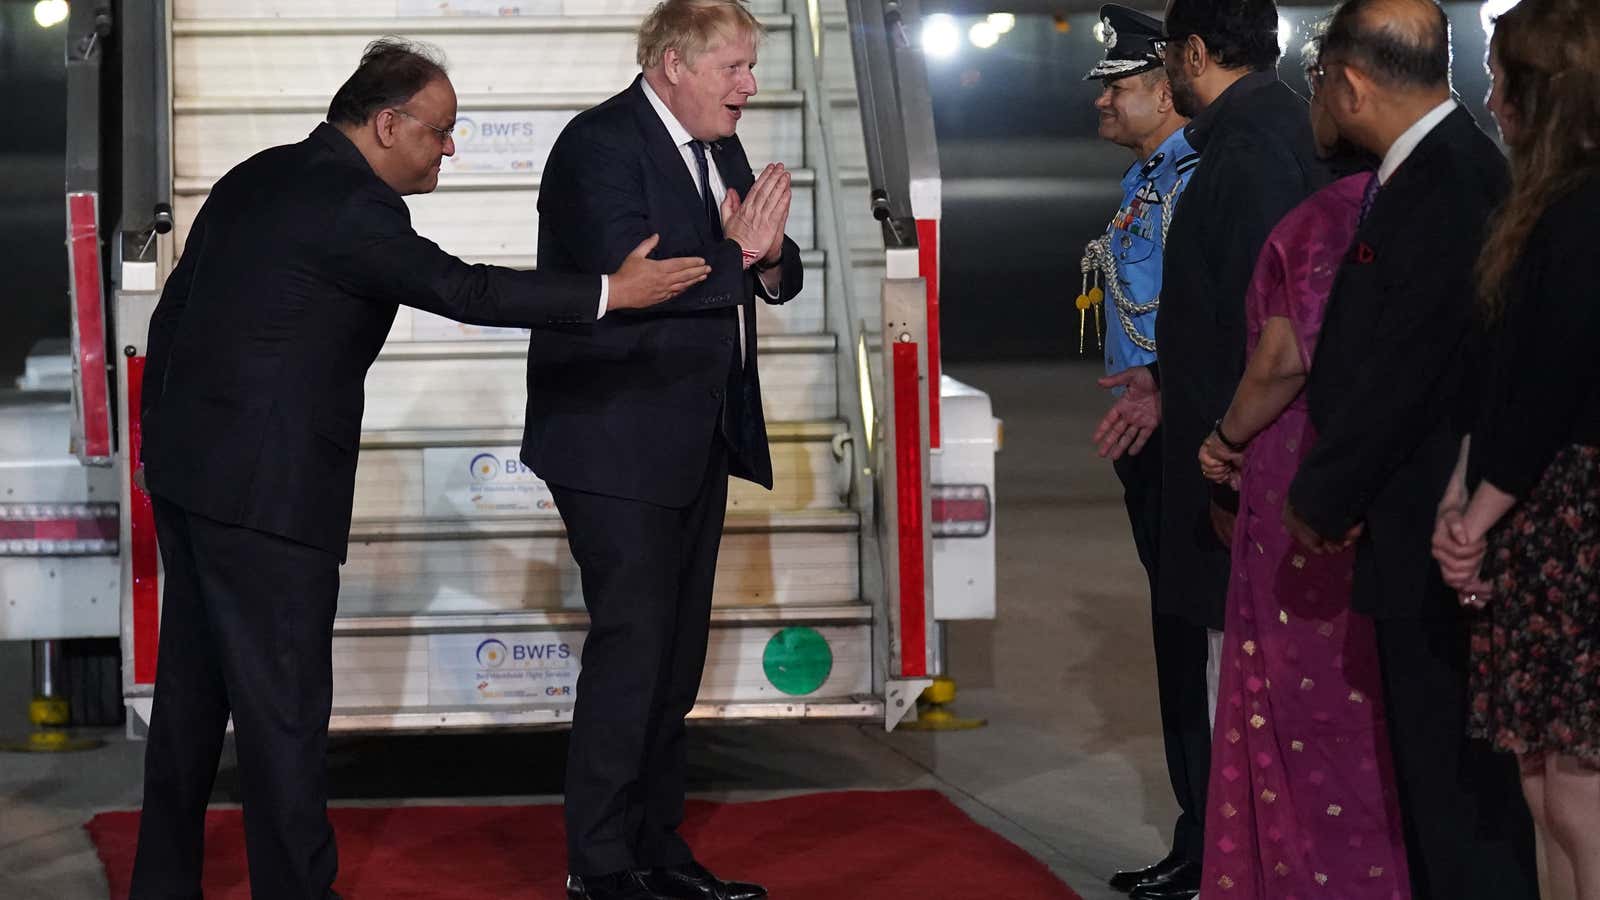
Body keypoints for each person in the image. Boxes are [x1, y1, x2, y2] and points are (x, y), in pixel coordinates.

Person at [128, 39, 709, 900]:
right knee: (284, 717)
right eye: (439, 132)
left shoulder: (257, 174)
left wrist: (158, 455)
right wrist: (607, 294)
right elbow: (466, 291)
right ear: (386, 122)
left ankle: (161, 887)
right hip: (268, 494)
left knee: (189, 705)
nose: (449, 149)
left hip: (191, 477)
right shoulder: (356, 208)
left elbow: (170, 320)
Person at [524, 0, 803, 897]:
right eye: (735, 68)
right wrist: (737, 255)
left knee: (676, 657)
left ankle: (657, 852)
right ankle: (600, 867)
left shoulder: (712, 140)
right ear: (675, 64)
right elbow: (634, 279)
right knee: (634, 648)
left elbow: (770, 260)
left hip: (693, 436)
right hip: (613, 442)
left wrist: (760, 259)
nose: (749, 87)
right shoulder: (599, 145)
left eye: (751, 68)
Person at [1283, 1, 1539, 897]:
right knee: (1439, 778)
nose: (1316, 99)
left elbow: (1407, 367)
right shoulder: (1438, 170)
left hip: (1436, 528)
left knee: (1458, 787)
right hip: (1417, 517)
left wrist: (1323, 494)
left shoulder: (1448, 184)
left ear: (1350, 83)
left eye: (1318, 80)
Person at [1193, 31, 1411, 898]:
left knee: (1299, 700)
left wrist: (1225, 439)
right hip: (1376, 476)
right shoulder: (1416, 208)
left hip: (1299, 486)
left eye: (1318, 80)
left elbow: (1283, 357)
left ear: (1346, 97)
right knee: (1371, 709)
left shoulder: (1321, 223)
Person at [1133, 5, 1326, 893]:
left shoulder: (1248, 153)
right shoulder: (1268, 130)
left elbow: (1271, 326)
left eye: (1172, 53)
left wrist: (1229, 452)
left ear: (1196, 53)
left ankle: (1240, 863)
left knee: (1235, 672)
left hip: (1243, 465)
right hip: (1244, 454)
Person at [1431, 2, 1600, 897]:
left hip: (1575, 518)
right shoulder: (1538, 208)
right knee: (1544, 785)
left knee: (1577, 788)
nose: (1490, 98)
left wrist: (1476, 512)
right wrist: (1464, 503)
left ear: (1552, 94)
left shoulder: (1581, 212)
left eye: (1503, 80)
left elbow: (1550, 387)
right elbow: (1490, 383)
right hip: (1533, 513)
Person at [1081, 6, 1208, 897]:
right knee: (1173, 640)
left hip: (1182, 434)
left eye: (1116, 87)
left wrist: (1161, 383)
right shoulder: (1148, 177)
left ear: (1168, 90)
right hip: (1145, 437)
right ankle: (1196, 832)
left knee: (1197, 646)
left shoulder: (1196, 177)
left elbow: (1207, 306)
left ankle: (1214, 842)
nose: (1101, 103)